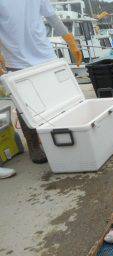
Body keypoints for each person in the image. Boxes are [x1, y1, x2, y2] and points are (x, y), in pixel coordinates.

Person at [0, 0, 82, 164]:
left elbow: (51, 17)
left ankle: (59, 138)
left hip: (45, 54)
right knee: (25, 107)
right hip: (16, 59)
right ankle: (34, 146)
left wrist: (69, 39)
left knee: (56, 100)